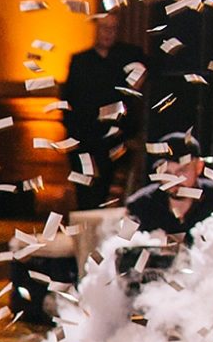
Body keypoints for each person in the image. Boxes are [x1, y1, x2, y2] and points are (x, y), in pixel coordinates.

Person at [62, 13, 148, 210]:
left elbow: (148, 66)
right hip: (84, 136)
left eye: (113, 28)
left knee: (105, 190)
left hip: (113, 138)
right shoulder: (81, 61)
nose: (108, 33)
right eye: (104, 28)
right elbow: (69, 99)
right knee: (85, 192)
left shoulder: (125, 58)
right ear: (96, 29)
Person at [122, 132, 213, 245]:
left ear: (199, 167)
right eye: (167, 173)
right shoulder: (138, 206)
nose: (174, 180)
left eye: (182, 171)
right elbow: (121, 246)